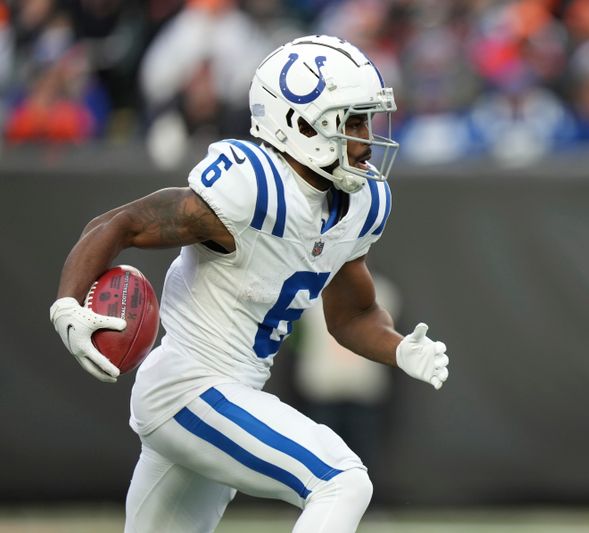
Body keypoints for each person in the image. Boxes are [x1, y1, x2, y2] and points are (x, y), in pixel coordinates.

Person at [48, 35, 450, 533]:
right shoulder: (250, 187)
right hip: (189, 388)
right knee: (342, 479)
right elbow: (122, 223)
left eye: (367, 119)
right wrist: (67, 303)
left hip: (232, 398)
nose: (367, 138)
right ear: (302, 125)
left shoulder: (360, 204)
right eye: (352, 121)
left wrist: (398, 350)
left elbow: (351, 316)